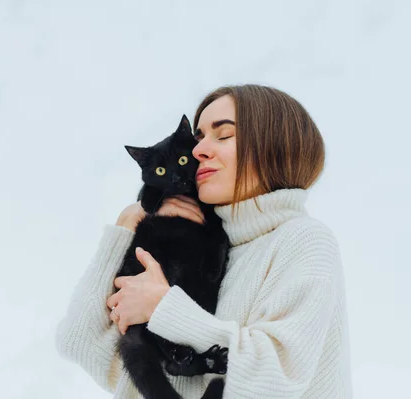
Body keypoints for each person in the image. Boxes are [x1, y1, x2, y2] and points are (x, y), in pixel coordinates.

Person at [55, 84, 353, 398]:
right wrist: (126, 227)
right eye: (198, 138)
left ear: (274, 147)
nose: (198, 150)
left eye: (222, 135)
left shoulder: (303, 240)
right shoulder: (192, 243)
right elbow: (80, 341)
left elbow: (277, 377)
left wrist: (165, 310)